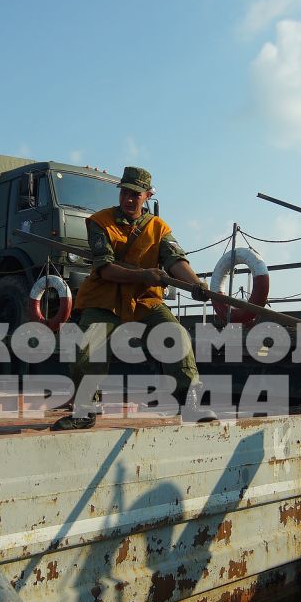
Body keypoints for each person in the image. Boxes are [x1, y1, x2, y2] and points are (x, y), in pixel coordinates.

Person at [54, 166, 214, 430]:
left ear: (147, 196)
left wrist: (196, 284)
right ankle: (84, 412)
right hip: (104, 300)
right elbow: (105, 268)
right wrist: (145, 275)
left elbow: (175, 261)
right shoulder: (99, 222)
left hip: (144, 301)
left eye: (135, 195)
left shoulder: (159, 228)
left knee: (176, 335)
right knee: (86, 348)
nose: (129, 199)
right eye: (125, 193)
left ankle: (191, 404)